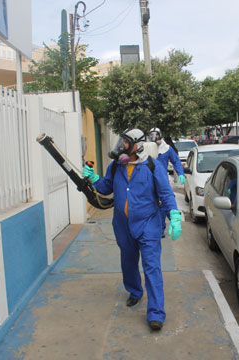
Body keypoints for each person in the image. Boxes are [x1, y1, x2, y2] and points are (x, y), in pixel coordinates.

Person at [82, 128, 182, 331]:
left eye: (125, 142)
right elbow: (105, 187)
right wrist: (93, 178)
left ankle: (156, 313)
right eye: (121, 140)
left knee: (151, 267)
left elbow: (166, 193)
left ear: (136, 145)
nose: (120, 145)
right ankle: (135, 292)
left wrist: (174, 215)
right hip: (122, 225)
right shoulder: (116, 166)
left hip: (148, 225)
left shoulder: (152, 166)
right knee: (128, 262)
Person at [148, 127, 185, 234]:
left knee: (164, 202)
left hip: (162, 180)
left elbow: (176, 161)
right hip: (149, 180)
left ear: (160, 135)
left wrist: (181, 173)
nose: (154, 137)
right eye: (151, 135)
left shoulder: (167, 149)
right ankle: (156, 226)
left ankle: (161, 227)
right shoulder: (146, 148)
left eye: (156, 135)